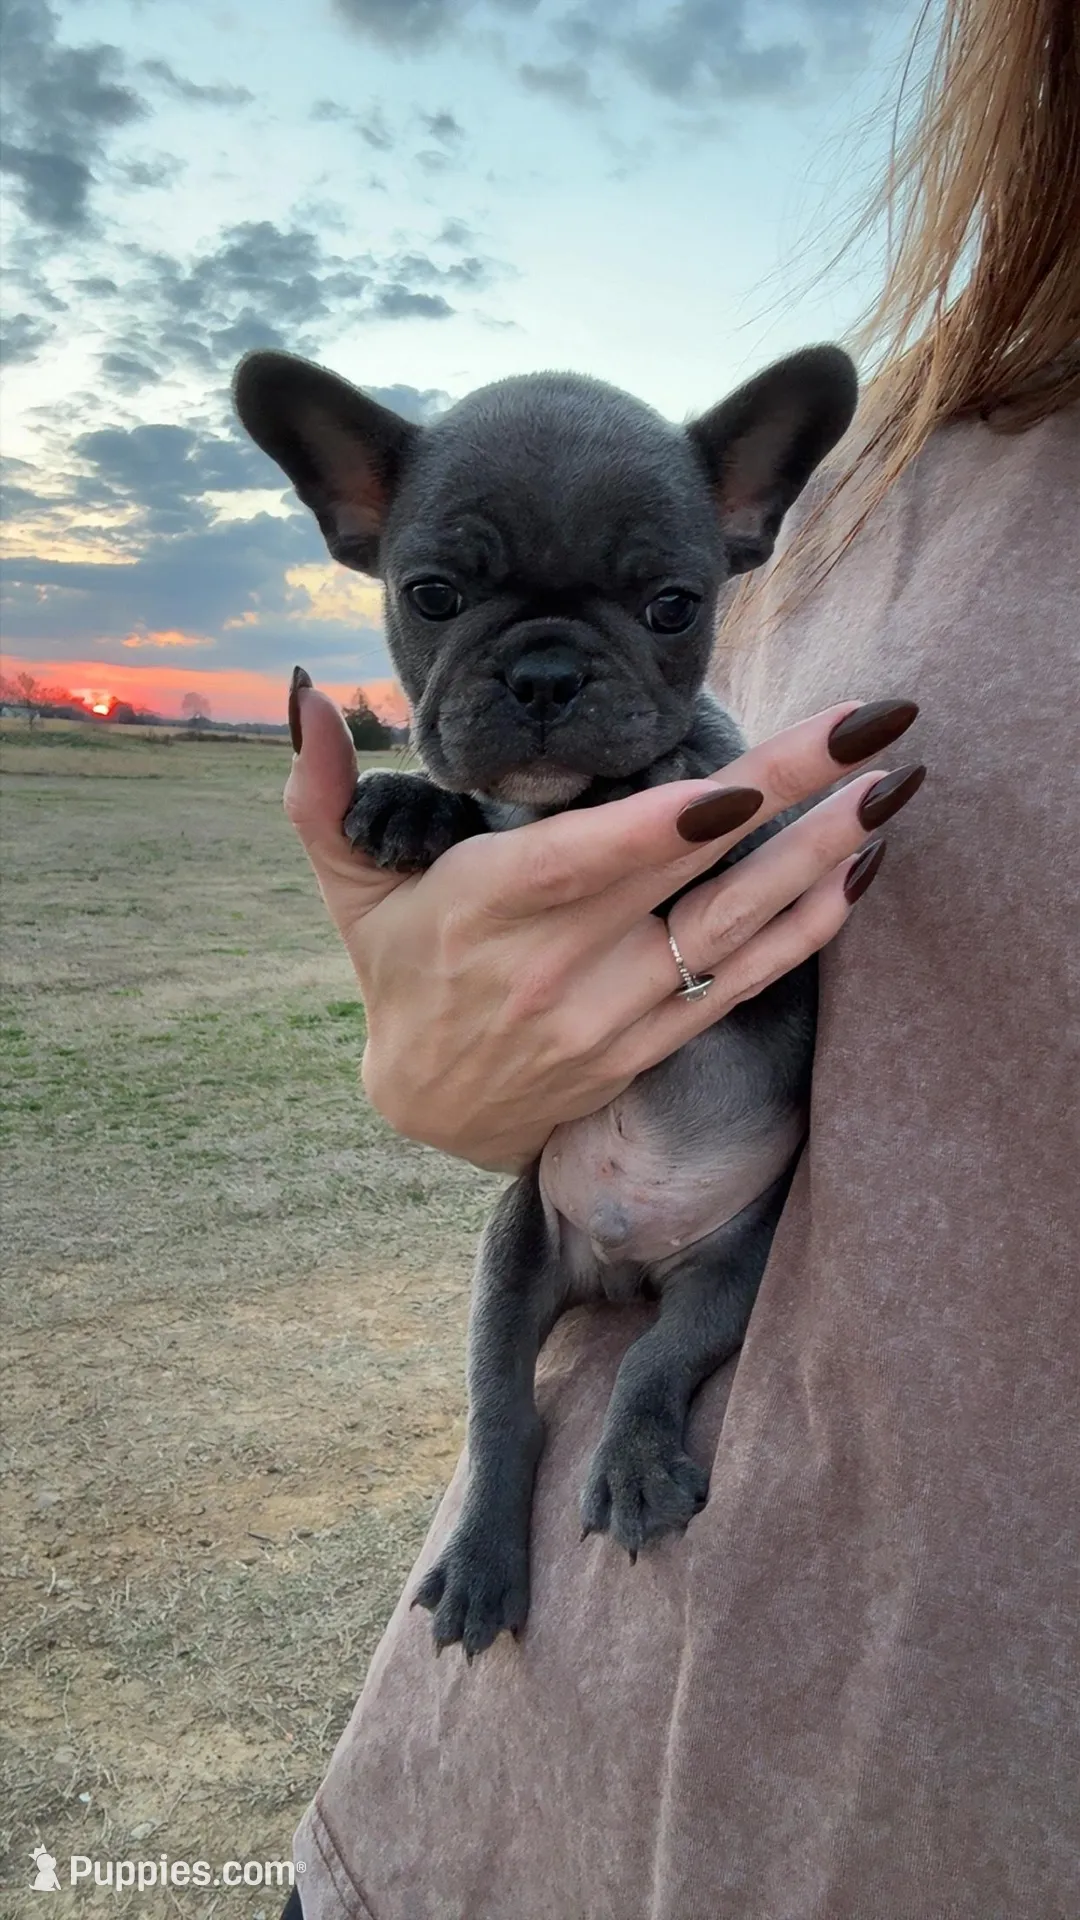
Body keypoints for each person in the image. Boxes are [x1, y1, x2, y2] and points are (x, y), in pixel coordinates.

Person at [278, 0, 1079, 1910]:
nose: (550, 667)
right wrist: (454, 1030)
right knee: (516, 1291)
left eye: (647, 609)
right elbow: (547, 980)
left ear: (732, 527)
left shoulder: (813, 510)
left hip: (932, 1759)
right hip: (512, 1760)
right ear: (355, 524)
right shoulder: (920, 466)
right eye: (455, 601)